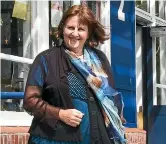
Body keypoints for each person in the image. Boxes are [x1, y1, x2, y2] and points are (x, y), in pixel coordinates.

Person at [23, 5, 126, 144]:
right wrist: (60, 114)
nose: (75, 33)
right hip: (55, 139)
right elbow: (30, 101)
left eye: (81, 29)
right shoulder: (46, 59)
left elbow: (111, 99)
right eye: (70, 28)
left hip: (99, 138)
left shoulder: (100, 59)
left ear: (88, 33)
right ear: (62, 28)